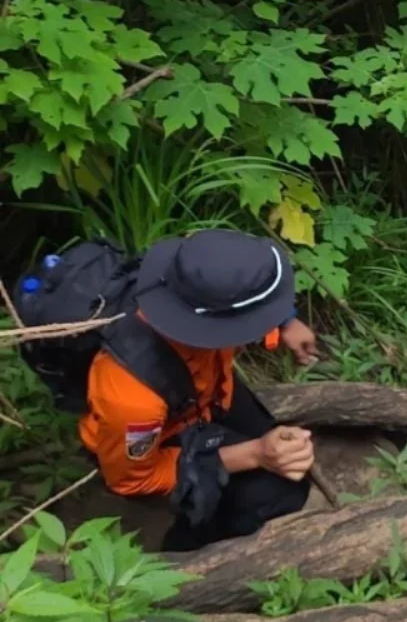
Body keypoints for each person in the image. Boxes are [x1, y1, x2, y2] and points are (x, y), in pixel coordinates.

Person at [79, 229, 322, 552]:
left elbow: (236, 302)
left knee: (269, 436)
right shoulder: (133, 398)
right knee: (279, 491)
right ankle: (189, 550)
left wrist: (285, 322)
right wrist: (254, 454)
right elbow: (134, 480)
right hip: (163, 434)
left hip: (210, 394)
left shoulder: (185, 280)